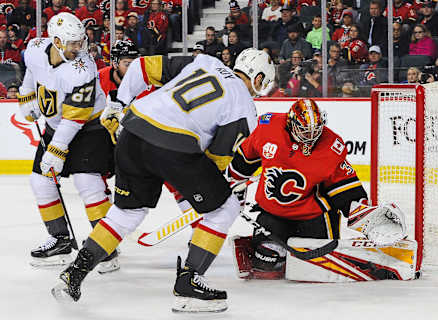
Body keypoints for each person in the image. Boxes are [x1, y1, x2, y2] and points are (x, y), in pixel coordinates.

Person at [52, 48, 276, 313]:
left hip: (133, 129)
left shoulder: (205, 61)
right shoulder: (245, 107)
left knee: (126, 213)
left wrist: (118, 104)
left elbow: (141, 67)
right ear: (259, 79)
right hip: (174, 146)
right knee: (223, 209)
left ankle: (74, 275)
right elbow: (216, 160)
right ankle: (189, 283)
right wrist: (222, 190)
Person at [17, 12, 117, 273]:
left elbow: (76, 117)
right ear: (56, 41)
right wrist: (27, 96)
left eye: (80, 41)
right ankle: (60, 240)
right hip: (53, 126)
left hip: (89, 129)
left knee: (88, 183)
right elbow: (32, 70)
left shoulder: (83, 68)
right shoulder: (36, 48)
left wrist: (57, 149)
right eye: (72, 43)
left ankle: (105, 246)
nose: (78, 48)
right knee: (40, 181)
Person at [226, 98, 368, 278]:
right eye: (304, 131)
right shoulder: (267, 129)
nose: (311, 136)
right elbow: (245, 158)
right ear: (290, 123)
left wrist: (364, 217)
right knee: (265, 267)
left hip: (313, 217)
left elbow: (346, 189)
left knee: (318, 271)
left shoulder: (331, 146)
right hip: (273, 215)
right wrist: (230, 181)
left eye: (315, 130)